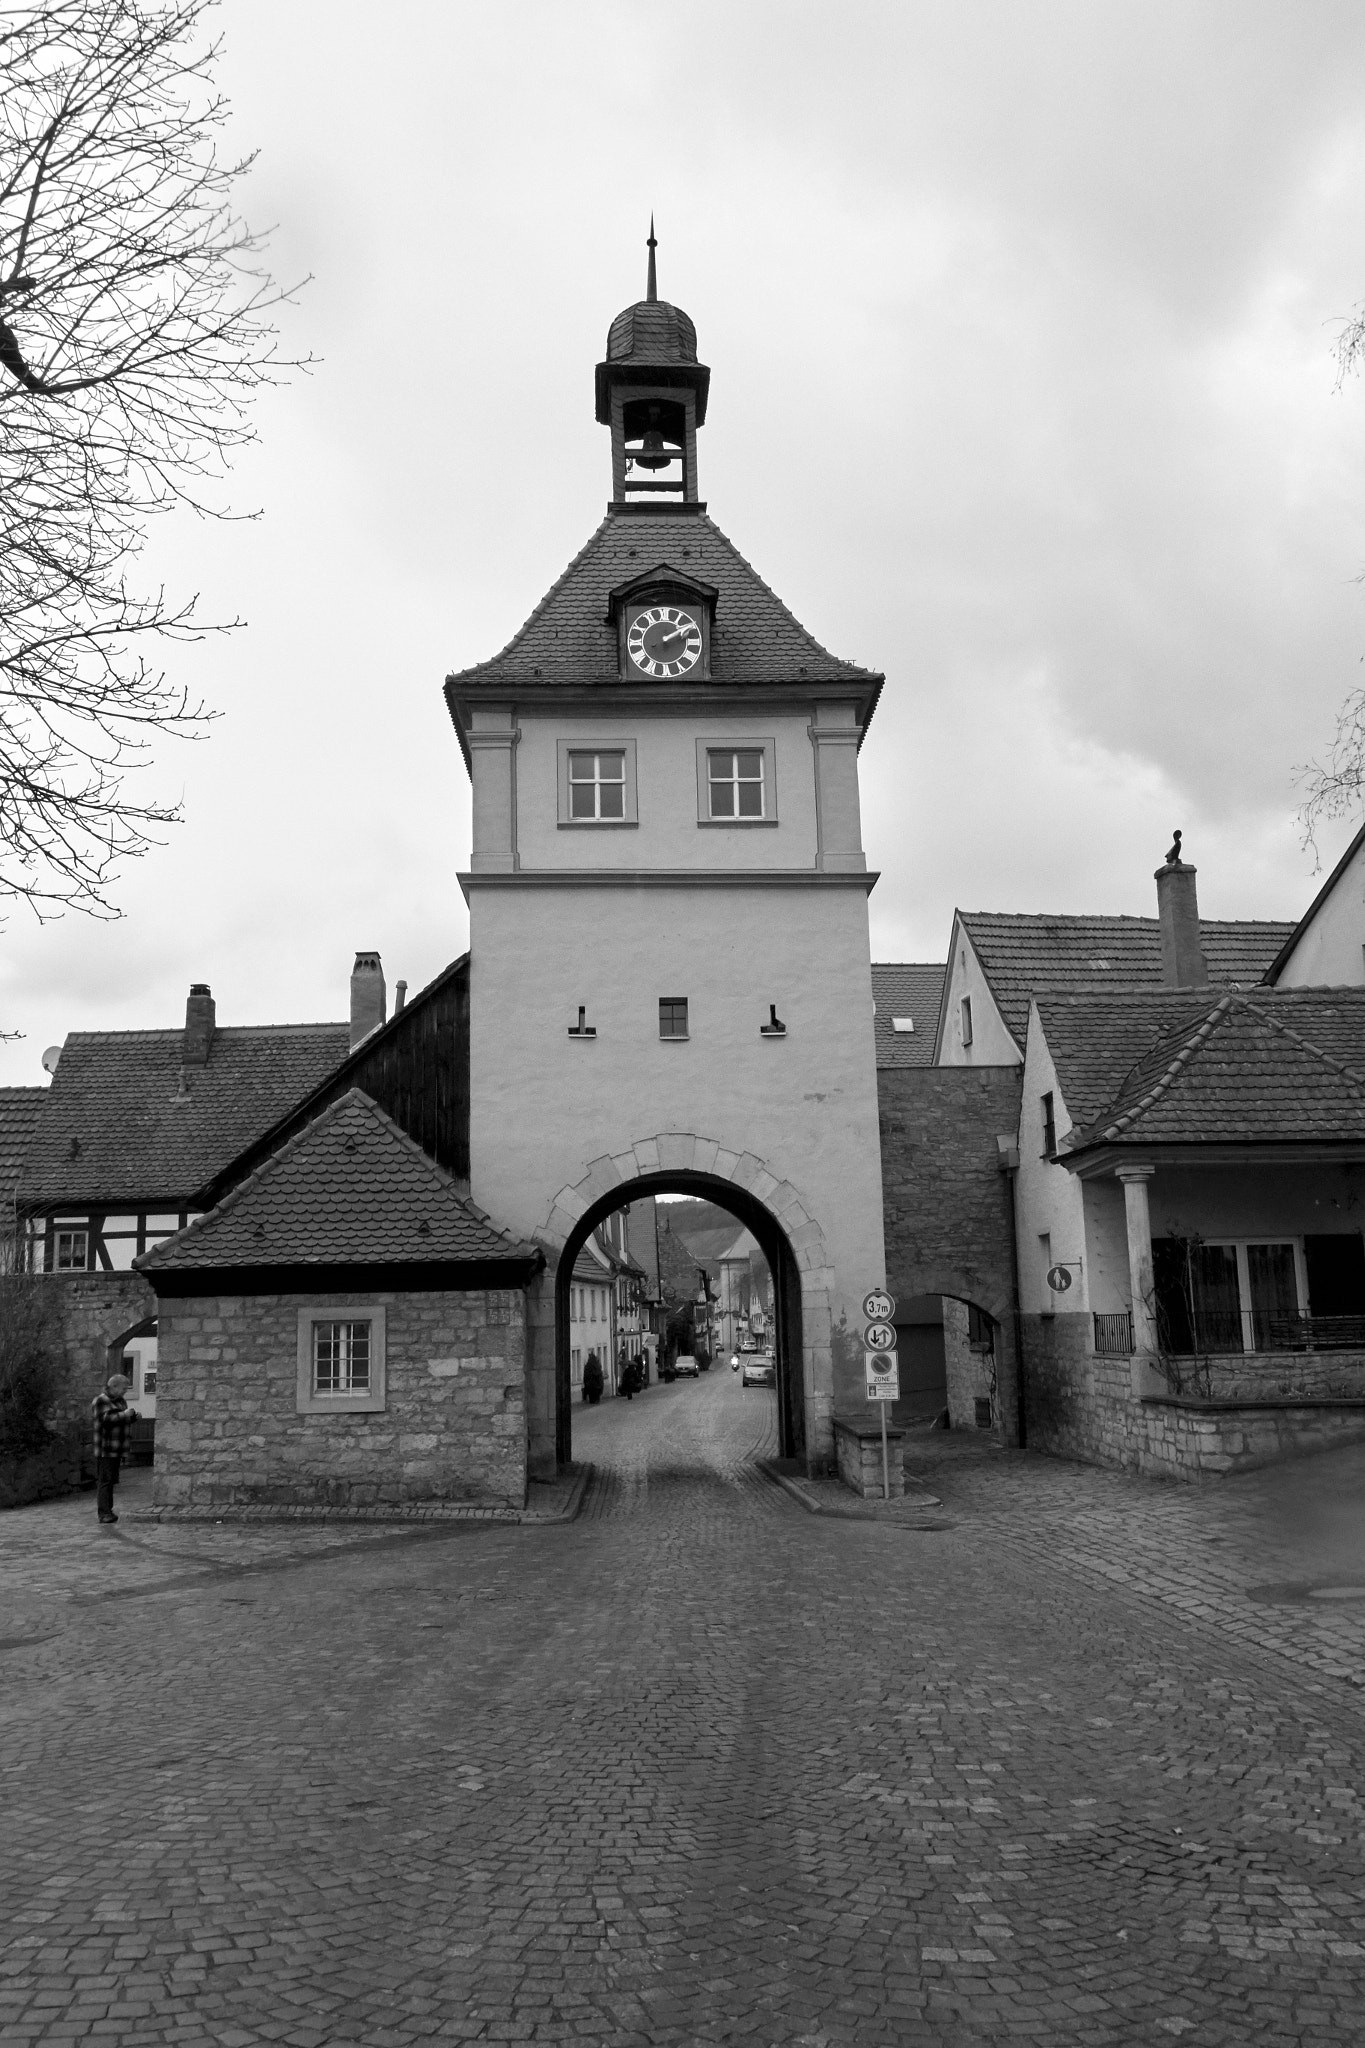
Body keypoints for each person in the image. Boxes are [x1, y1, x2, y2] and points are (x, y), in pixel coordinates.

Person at [91, 1372, 139, 1524]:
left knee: (111, 1481)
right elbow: (104, 1420)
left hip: (117, 1448)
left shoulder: (120, 1401)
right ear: (114, 1386)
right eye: (124, 1388)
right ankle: (104, 1513)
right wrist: (124, 1415)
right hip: (106, 1448)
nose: (126, 1391)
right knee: (105, 1481)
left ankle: (109, 1511)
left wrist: (133, 1417)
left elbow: (120, 1420)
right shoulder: (100, 1400)